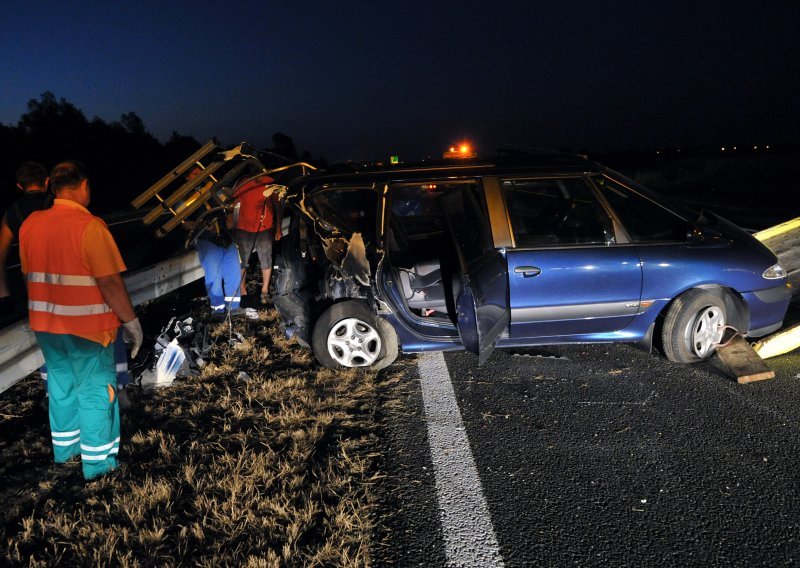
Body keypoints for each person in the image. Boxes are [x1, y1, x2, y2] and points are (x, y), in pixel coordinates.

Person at [19, 161, 143, 480]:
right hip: (87, 330)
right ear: (84, 186)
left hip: (46, 327)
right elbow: (110, 283)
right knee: (96, 393)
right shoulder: (90, 226)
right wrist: (131, 322)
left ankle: (65, 451)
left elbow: (30, 273)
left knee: (61, 388)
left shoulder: (31, 223)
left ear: (53, 187)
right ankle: (99, 466)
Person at [185, 166, 243, 319]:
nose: (197, 176)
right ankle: (217, 310)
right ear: (187, 178)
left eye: (199, 173)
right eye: (194, 174)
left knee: (234, 269)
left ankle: (233, 307)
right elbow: (184, 223)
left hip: (226, 237)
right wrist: (201, 224)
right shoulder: (185, 197)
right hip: (206, 239)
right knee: (214, 274)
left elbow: (231, 205)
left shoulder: (215, 189)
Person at [0, 162, 54, 314]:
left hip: (34, 286)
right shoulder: (57, 204)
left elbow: (0, 256)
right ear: (47, 181)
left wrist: (4, 296)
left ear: (19, 186)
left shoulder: (11, 213)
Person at [231, 173, 281, 307]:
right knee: (242, 261)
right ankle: (243, 291)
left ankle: (264, 290)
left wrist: (278, 227)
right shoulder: (242, 182)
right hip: (243, 228)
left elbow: (277, 205)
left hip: (265, 228)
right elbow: (234, 204)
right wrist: (233, 228)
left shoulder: (270, 182)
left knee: (266, 259)